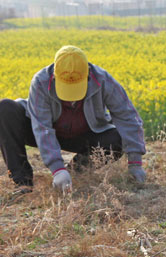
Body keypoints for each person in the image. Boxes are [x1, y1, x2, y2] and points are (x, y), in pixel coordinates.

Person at [0, 45, 146, 194]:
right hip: (45, 131)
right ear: (54, 75)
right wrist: (57, 168)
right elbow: (42, 128)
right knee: (5, 109)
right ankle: (22, 182)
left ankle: (74, 174)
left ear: (88, 74)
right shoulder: (41, 81)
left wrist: (135, 162)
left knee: (117, 138)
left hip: (84, 134)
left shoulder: (103, 79)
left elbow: (127, 116)